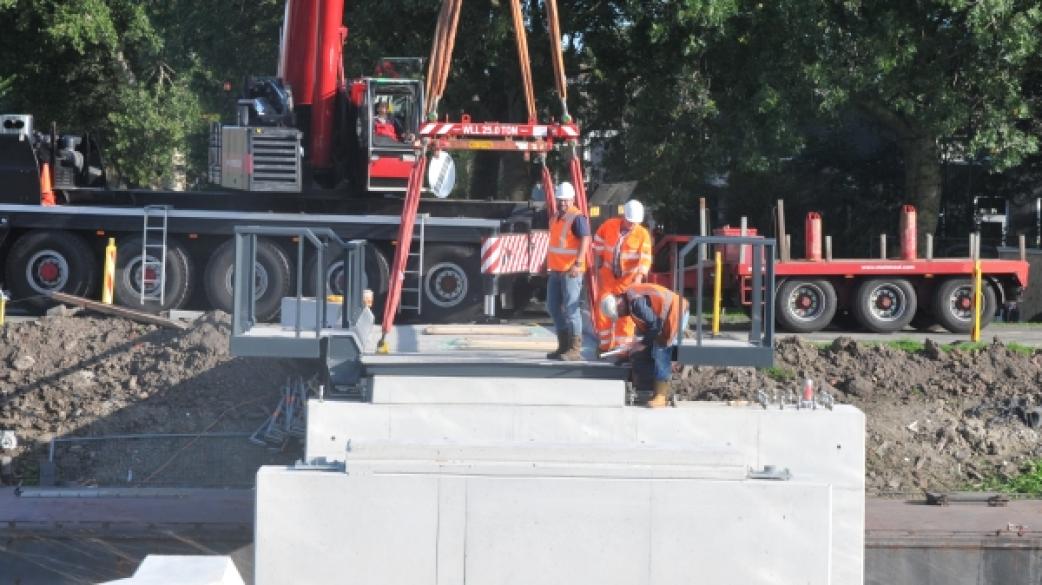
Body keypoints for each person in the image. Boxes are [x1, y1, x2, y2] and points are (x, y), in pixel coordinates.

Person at [600, 283, 689, 408]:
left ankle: (661, 396)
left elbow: (655, 326)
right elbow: (646, 325)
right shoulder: (632, 300)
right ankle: (653, 388)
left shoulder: (636, 303)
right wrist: (636, 344)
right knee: (654, 348)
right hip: (667, 315)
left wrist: (642, 344)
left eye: (619, 314)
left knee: (661, 350)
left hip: (676, 312)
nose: (621, 316)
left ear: (619, 305)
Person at [592, 199, 652, 351]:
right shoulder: (609, 225)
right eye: (630, 221)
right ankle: (605, 345)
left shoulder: (642, 234)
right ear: (623, 216)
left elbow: (645, 260)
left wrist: (638, 279)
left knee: (625, 318)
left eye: (635, 222)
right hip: (607, 278)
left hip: (628, 282)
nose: (632, 225)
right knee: (603, 312)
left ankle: (623, 350)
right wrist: (597, 265)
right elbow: (597, 243)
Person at [545, 181, 591, 361]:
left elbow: (585, 239)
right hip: (556, 270)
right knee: (552, 306)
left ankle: (574, 348)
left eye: (565, 200)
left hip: (571, 271)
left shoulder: (577, 218)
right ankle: (563, 345)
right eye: (560, 200)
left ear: (572, 199)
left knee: (572, 309)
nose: (562, 203)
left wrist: (578, 263)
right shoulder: (555, 217)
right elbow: (554, 244)